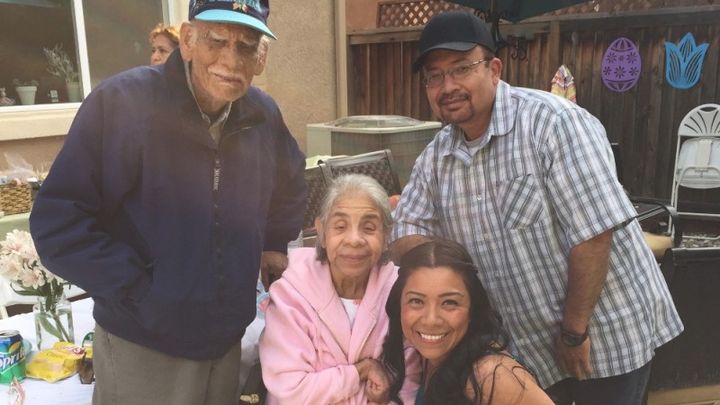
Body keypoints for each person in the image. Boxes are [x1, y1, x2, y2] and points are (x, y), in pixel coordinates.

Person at [390, 11, 683, 405]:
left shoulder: (554, 123)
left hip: (602, 333)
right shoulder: (436, 158)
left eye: (461, 69)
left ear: (494, 69)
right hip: (525, 349)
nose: (448, 86)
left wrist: (574, 332)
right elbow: (404, 237)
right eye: (435, 76)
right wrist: (444, 261)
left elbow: (594, 235)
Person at [29, 0, 307, 404]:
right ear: (188, 40)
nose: (231, 60)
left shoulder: (261, 115)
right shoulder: (124, 103)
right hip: (144, 344)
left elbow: (291, 179)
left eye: (246, 46)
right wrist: (141, 289)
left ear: (260, 59)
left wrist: (273, 242)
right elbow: (58, 222)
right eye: (217, 40)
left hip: (225, 340)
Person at [259, 174, 420, 404]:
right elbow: (291, 390)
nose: (354, 239)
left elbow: (407, 387)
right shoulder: (291, 294)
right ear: (322, 232)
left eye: (369, 227)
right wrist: (360, 372)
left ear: (386, 236)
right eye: (340, 227)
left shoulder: (401, 293)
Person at [382, 238, 553, 405]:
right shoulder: (427, 356)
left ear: (473, 308)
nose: (431, 320)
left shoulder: (491, 377)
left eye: (449, 303)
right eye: (416, 301)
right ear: (399, 304)